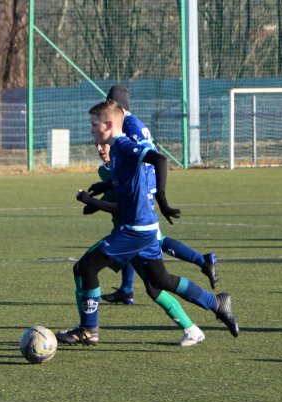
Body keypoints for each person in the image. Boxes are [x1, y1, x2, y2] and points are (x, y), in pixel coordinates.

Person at [56, 99, 239, 346]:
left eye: (93, 124)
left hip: (136, 230)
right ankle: (215, 302)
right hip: (144, 230)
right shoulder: (117, 152)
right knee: (160, 282)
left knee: (85, 268)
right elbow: (129, 182)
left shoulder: (122, 146)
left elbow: (160, 160)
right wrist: (105, 186)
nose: (91, 129)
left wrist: (162, 199)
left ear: (108, 124)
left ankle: (89, 330)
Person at [73, 137, 205, 346]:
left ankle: (87, 329)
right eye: (96, 145)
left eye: (103, 145)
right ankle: (192, 327)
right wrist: (95, 201)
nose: (99, 149)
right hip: (124, 235)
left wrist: (93, 202)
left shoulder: (128, 164)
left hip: (133, 235)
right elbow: (112, 198)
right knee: (152, 285)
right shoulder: (106, 169)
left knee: (86, 268)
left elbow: (124, 208)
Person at [101, 84, 217, 305]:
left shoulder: (130, 125)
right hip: (140, 186)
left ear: (119, 107)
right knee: (129, 234)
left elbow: (152, 158)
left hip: (143, 187)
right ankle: (126, 290)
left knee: (146, 239)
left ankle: (203, 263)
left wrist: (155, 194)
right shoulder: (129, 123)